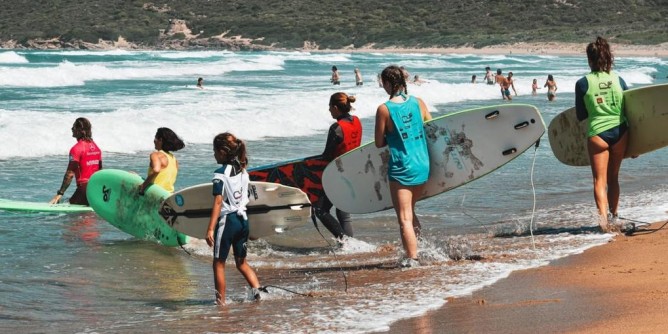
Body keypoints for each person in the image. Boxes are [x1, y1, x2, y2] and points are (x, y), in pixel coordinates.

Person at [374, 65, 432, 266]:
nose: (383, 87)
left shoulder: (385, 109)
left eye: (383, 83)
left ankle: (412, 259)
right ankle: (420, 248)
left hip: (402, 167)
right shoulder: (419, 103)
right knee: (411, 211)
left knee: (404, 218)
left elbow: (379, 142)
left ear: (389, 83)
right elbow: (430, 126)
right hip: (423, 164)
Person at [574, 36, 630, 232]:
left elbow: (581, 115)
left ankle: (603, 223)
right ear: (608, 57)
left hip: (598, 134)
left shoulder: (582, 83)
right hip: (621, 132)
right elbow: (630, 108)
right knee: (613, 178)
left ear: (589, 59)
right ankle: (614, 217)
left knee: (599, 181)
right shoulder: (618, 79)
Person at [206, 132, 262, 305]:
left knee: (218, 263)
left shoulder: (220, 173)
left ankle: (220, 303)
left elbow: (218, 201)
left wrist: (210, 228)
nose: (214, 154)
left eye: (214, 151)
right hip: (242, 220)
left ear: (223, 151)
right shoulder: (243, 169)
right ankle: (258, 293)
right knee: (241, 262)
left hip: (228, 222)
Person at [315, 92, 362, 240]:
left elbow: (327, 155)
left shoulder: (336, 128)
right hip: (352, 171)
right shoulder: (357, 121)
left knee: (320, 209)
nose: (329, 110)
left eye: (330, 107)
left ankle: (344, 240)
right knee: (343, 211)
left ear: (335, 107)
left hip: (336, 174)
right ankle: (350, 243)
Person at [50, 117, 102, 206]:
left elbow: (70, 174)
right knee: (88, 215)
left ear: (79, 130)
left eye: (74, 127)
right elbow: (100, 171)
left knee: (71, 216)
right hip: (96, 189)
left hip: (84, 190)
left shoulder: (76, 149)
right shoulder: (96, 148)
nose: (72, 129)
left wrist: (60, 193)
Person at [139, 127, 185, 194]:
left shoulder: (155, 155)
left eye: (155, 138)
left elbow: (156, 170)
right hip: (168, 195)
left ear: (160, 140)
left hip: (155, 194)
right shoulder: (174, 160)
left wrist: (143, 186)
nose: (154, 141)